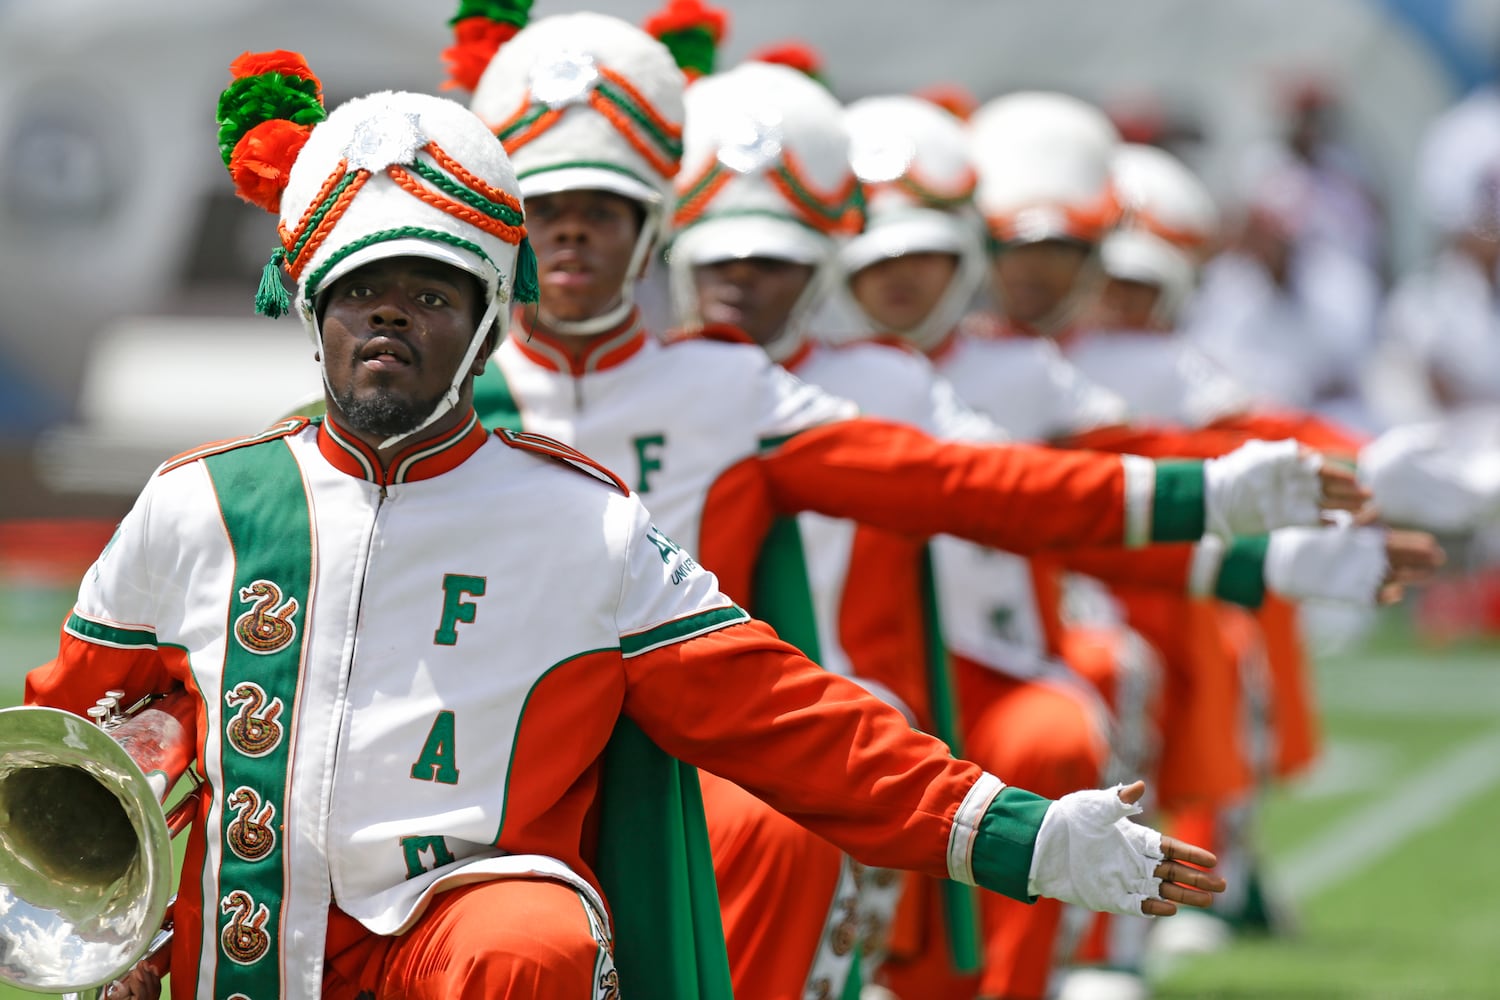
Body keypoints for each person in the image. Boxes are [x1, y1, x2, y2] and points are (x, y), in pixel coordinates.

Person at [21, 51, 1242, 1000]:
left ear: (489, 323)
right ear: (312, 311)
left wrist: (1018, 831)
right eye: (361, 292)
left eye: (432, 294)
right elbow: (64, 730)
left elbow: (791, 716)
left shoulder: (583, 521)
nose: (391, 319)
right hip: (234, 934)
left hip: (466, 941)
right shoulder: (199, 501)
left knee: (533, 939)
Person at [447, 12, 1368, 1000]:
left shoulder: (731, 389)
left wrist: (1217, 502)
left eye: (606, 204)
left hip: (735, 737)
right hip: (493, 755)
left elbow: (974, 484)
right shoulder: (452, 394)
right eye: (546, 204)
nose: (574, 230)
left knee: (792, 812)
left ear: (651, 228)